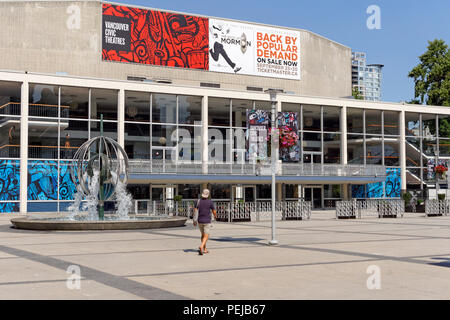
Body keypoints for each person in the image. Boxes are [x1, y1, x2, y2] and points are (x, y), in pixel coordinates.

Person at [193, 189, 217, 255]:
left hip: (200, 221)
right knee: (206, 236)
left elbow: (195, 212)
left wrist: (194, 221)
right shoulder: (210, 202)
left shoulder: (198, 201)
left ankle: (205, 249)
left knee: (203, 235)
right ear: (208, 195)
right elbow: (214, 211)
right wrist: (215, 216)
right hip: (207, 221)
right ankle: (201, 246)